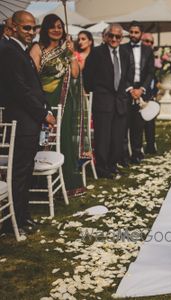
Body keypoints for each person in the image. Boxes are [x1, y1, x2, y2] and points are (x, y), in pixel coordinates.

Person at [0, 11, 56, 234]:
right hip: (21, 121)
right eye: (26, 28)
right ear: (12, 27)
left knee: (25, 169)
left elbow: (34, 86)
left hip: (29, 120)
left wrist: (46, 107)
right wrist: (43, 115)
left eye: (33, 28)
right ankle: (14, 221)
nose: (31, 32)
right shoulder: (7, 51)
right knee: (20, 172)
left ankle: (23, 216)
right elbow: (20, 90)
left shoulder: (19, 50)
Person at [29, 14, 88, 197]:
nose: (57, 30)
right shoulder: (37, 48)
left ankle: (66, 182)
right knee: (43, 140)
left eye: (60, 27)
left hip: (64, 103)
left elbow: (76, 75)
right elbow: (33, 76)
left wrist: (71, 54)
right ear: (46, 29)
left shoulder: (66, 49)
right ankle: (39, 183)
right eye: (52, 26)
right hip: (44, 102)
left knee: (63, 141)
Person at [83, 24, 130, 179]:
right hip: (102, 102)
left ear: (121, 38)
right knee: (103, 138)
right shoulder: (96, 53)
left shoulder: (124, 53)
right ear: (105, 36)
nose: (114, 39)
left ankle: (112, 165)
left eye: (118, 36)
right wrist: (98, 93)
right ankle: (102, 169)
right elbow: (87, 78)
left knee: (117, 138)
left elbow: (127, 76)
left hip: (120, 102)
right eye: (111, 36)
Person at [122, 21, 155, 164]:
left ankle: (136, 153)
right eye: (131, 32)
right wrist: (130, 89)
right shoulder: (122, 49)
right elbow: (121, 72)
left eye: (136, 32)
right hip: (126, 90)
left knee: (138, 124)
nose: (133, 35)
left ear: (141, 34)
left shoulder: (148, 51)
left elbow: (150, 73)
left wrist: (141, 89)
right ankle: (123, 154)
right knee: (123, 124)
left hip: (142, 90)